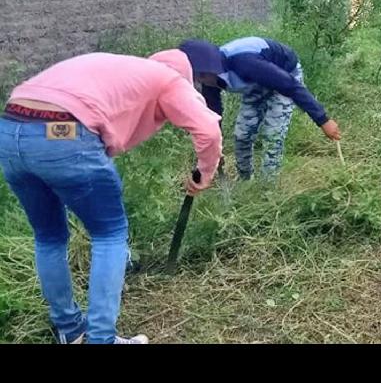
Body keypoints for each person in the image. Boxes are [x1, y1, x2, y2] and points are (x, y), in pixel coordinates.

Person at [0, 50, 223, 343]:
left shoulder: (120, 69)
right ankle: (101, 338)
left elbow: (77, 127)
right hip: (64, 132)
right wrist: (204, 174)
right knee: (110, 234)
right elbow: (208, 129)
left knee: (48, 236)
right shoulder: (169, 80)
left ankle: (70, 330)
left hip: (12, 127)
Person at [179, 37, 341, 181]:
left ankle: (268, 186)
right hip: (255, 83)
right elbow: (214, 114)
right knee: (242, 134)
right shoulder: (210, 81)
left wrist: (323, 120)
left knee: (273, 134)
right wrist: (215, 149)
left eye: (201, 77)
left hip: (283, 73)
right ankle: (245, 180)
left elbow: (290, 86)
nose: (200, 82)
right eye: (196, 78)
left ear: (209, 68)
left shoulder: (245, 63)